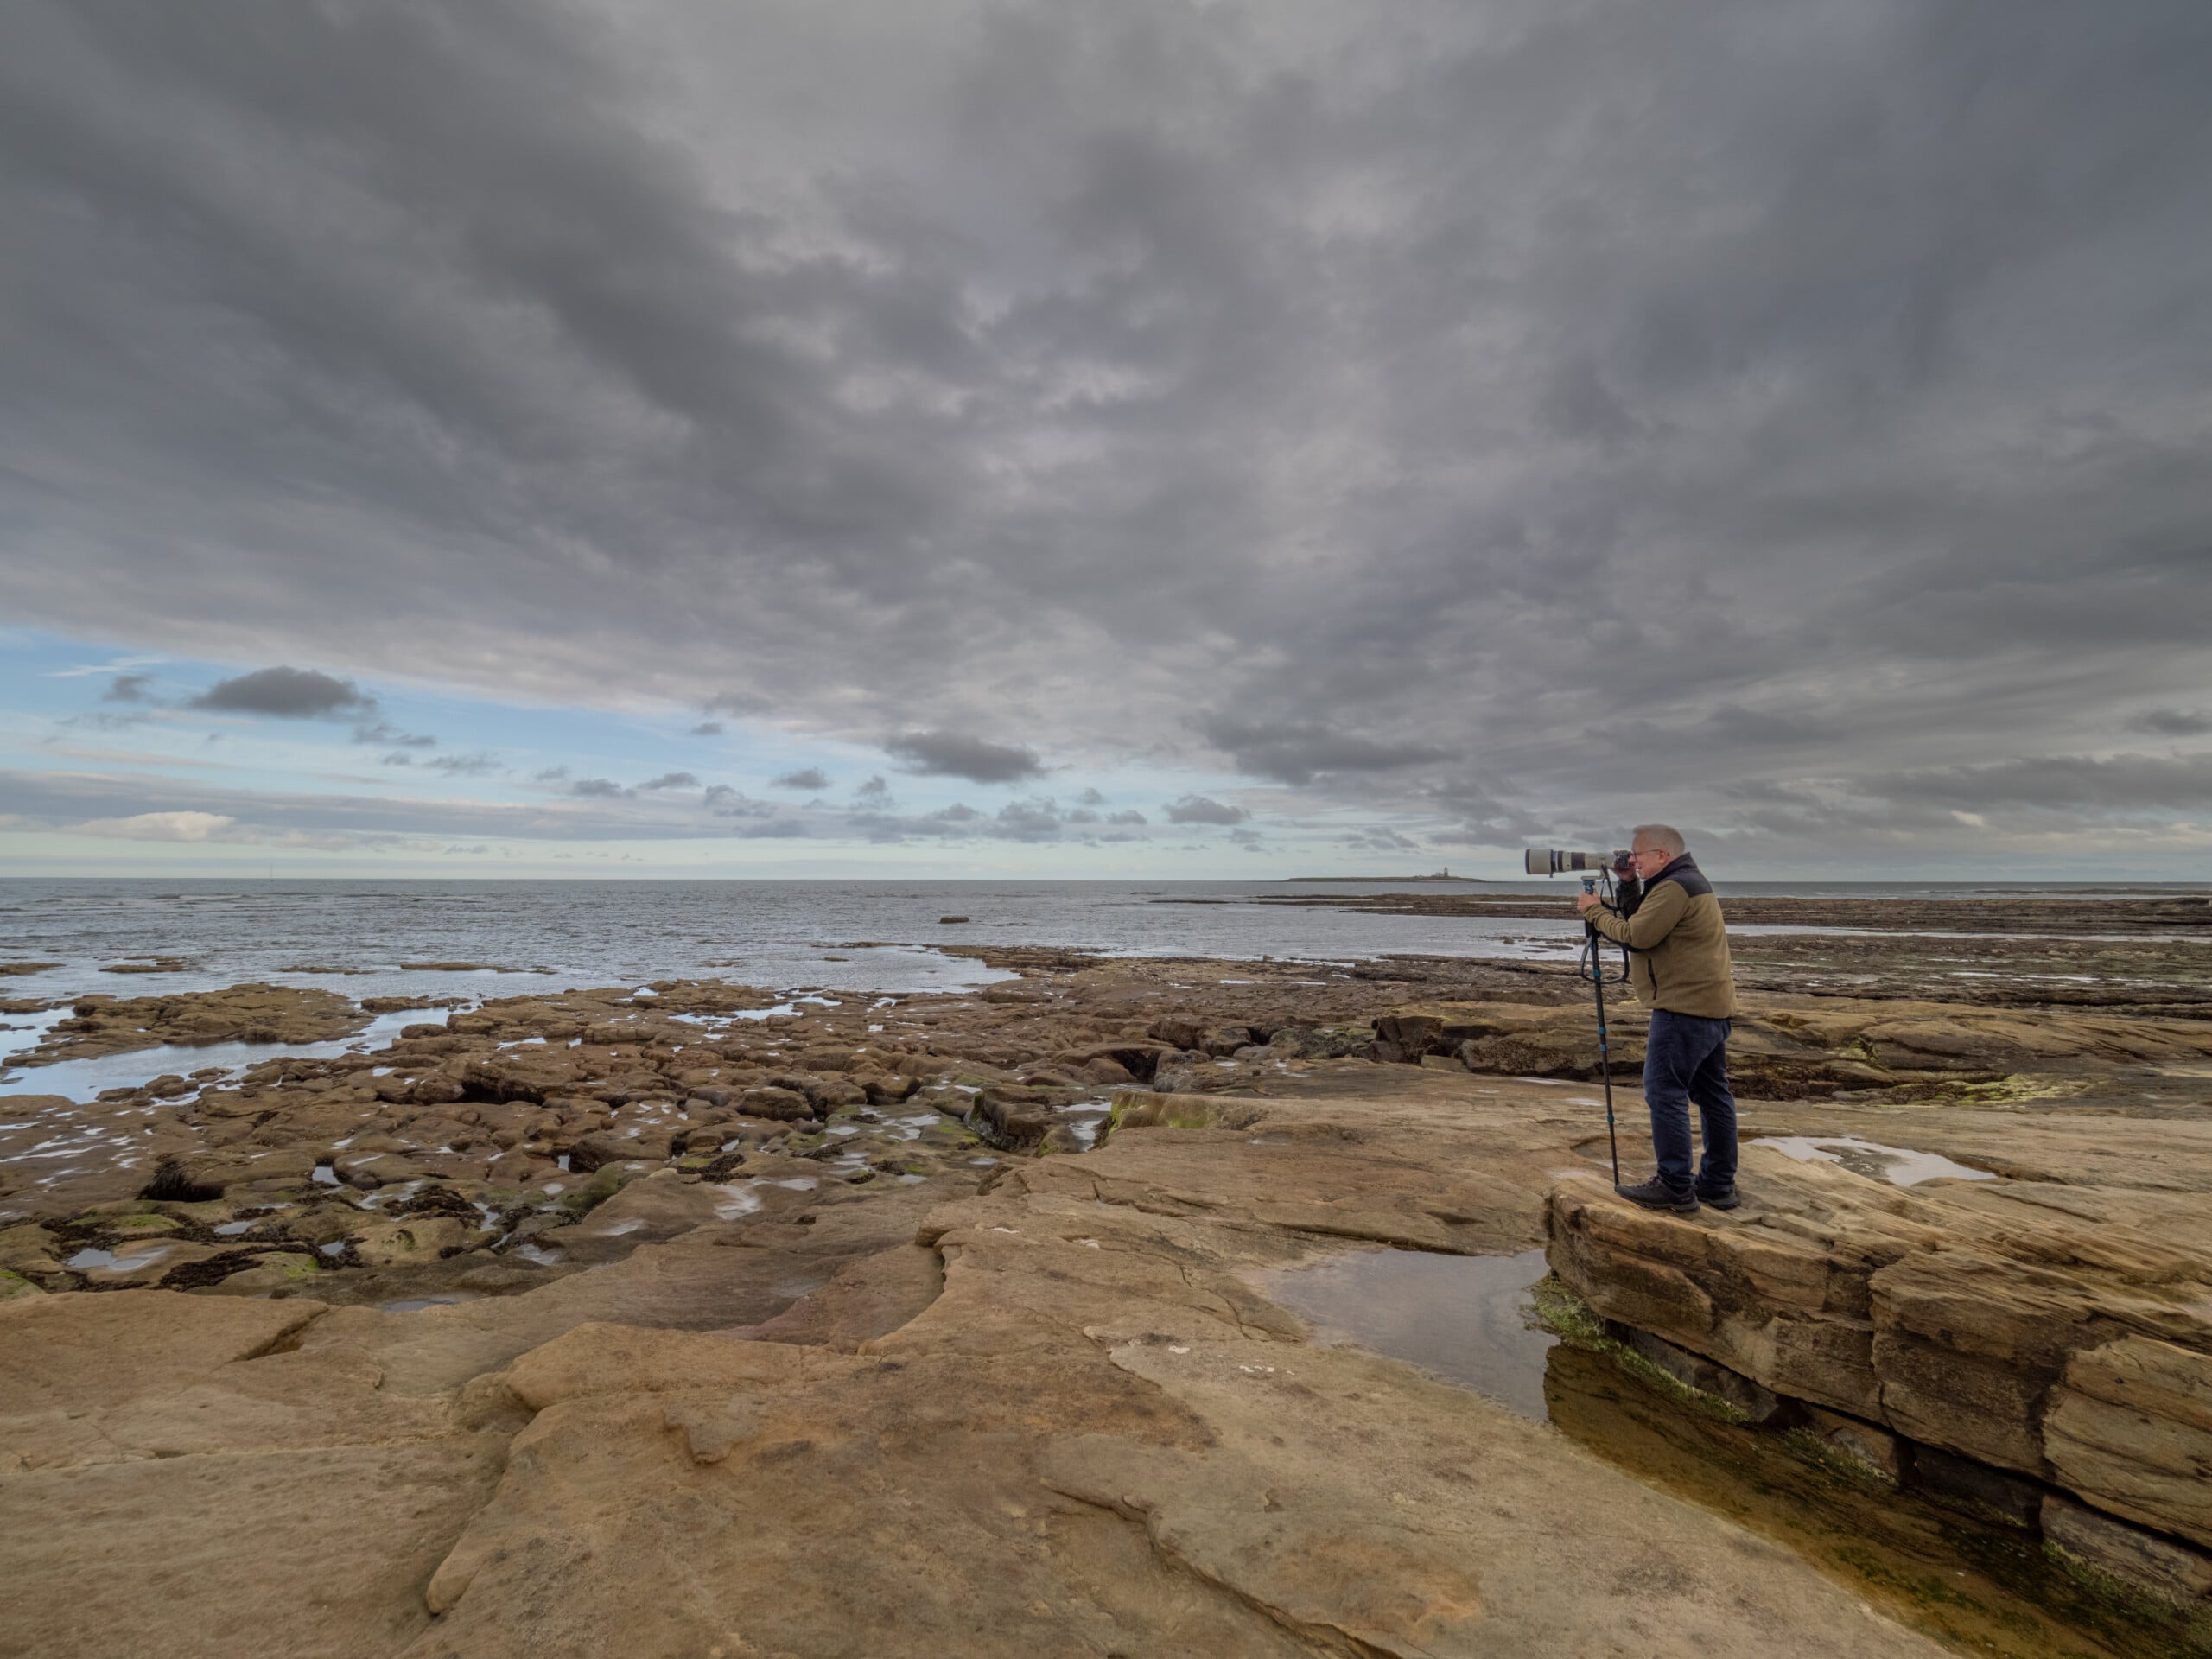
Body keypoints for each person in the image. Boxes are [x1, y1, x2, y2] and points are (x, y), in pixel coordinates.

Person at [1573, 823, 1738, 1214]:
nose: (1633, 861)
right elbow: (1645, 919)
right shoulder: (1684, 881)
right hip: (1710, 1004)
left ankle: (1675, 1186)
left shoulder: (1674, 887)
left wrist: (1593, 911)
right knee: (1713, 1094)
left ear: (1662, 855)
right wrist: (1628, 883)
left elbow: (1636, 935)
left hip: (1683, 1008)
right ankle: (1717, 1185)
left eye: (1638, 856)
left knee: (1664, 1092)